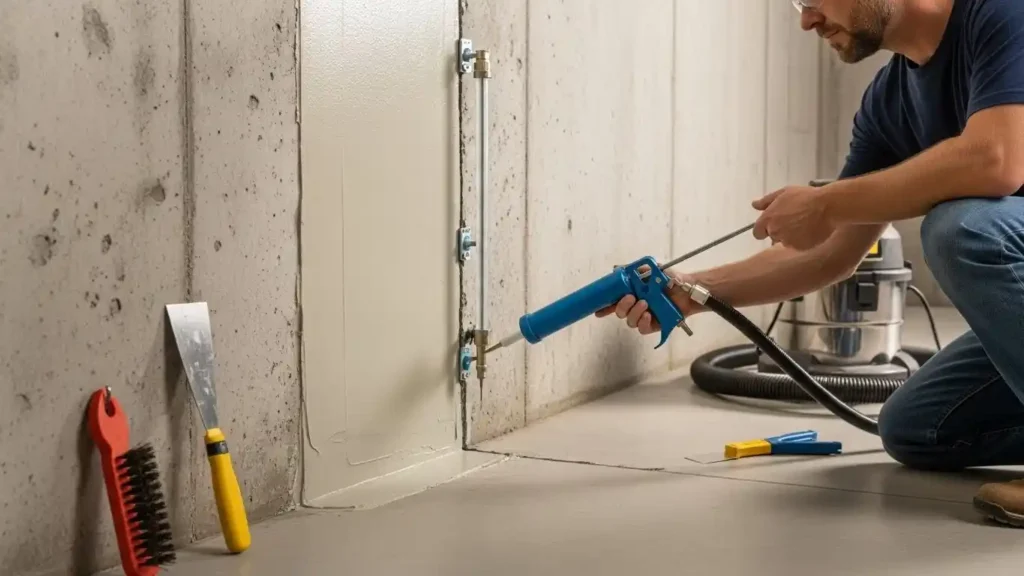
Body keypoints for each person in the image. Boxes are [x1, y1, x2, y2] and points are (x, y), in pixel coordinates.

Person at [599, 0, 1024, 527]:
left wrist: (825, 202)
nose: (806, 20)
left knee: (962, 229)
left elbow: (998, 160)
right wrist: (692, 288)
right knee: (917, 428)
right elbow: (833, 253)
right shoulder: (888, 103)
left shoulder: (1001, 14)